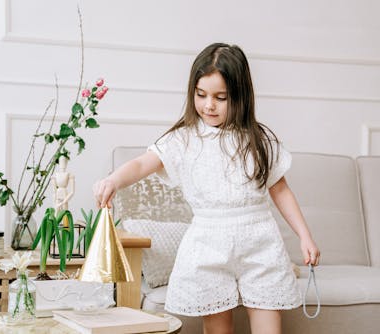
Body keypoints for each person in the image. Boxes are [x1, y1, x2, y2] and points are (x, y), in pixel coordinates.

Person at [93, 43, 320, 334]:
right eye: (201, 95)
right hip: (208, 244)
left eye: (220, 97)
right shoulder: (184, 139)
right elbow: (141, 164)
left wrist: (305, 236)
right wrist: (113, 180)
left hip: (260, 243)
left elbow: (281, 190)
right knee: (216, 327)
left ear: (240, 96)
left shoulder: (258, 140)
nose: (208, 105)